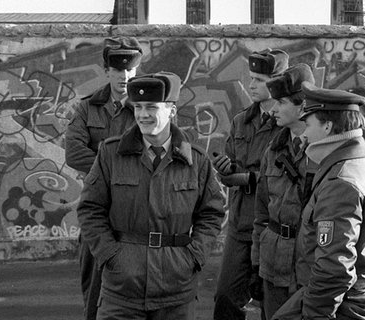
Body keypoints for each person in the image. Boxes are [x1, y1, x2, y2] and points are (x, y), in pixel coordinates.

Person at [77, 71, 225, 320]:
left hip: (176, 290)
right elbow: (90, 210)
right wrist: (110, 256)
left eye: (152, 107)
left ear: (172, 110)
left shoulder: (196, 161)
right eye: (138, 107)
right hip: (122, 290)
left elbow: (211, 214)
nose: (143, 115)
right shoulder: (111, 155)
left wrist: (194, 256)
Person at [272, 82, 365, 320]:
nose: (304, 133)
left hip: (348, 308)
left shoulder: (340, 184)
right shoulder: (362, 166)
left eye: (308, 124)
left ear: (328, 126)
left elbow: (334, 269)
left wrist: (313, 315)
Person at [65, 36, 143, 320]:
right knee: (94, 284)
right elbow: (73, 153)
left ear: (137, 70)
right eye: (118, 70)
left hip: (134, 209)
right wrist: (116, 166)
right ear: (107, 70)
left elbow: (152, 152)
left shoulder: (145, 109)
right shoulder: (88, 108)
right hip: (96, 208)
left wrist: (100, 159)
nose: (124, 76)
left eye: (130, 70)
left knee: (135, 284)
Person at [213, 48, 289, 320]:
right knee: (225, 298)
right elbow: (232, 166)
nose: (251, 84)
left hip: (273, 228)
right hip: (240, 226)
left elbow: (283, 178)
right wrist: (226, 171)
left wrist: (245, 178)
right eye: (251, 77)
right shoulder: (240, 121)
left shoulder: (288, 125)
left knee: (274, 305)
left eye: (259, 79)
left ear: (277, 81)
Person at [250, 63, 316, 320]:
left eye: (282, 102)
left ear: (302, 106)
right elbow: (261, 214)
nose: (274, 108)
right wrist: (256, 265)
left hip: (308, 264)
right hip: (273, 263)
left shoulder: (323, 152)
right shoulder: (273, 151)